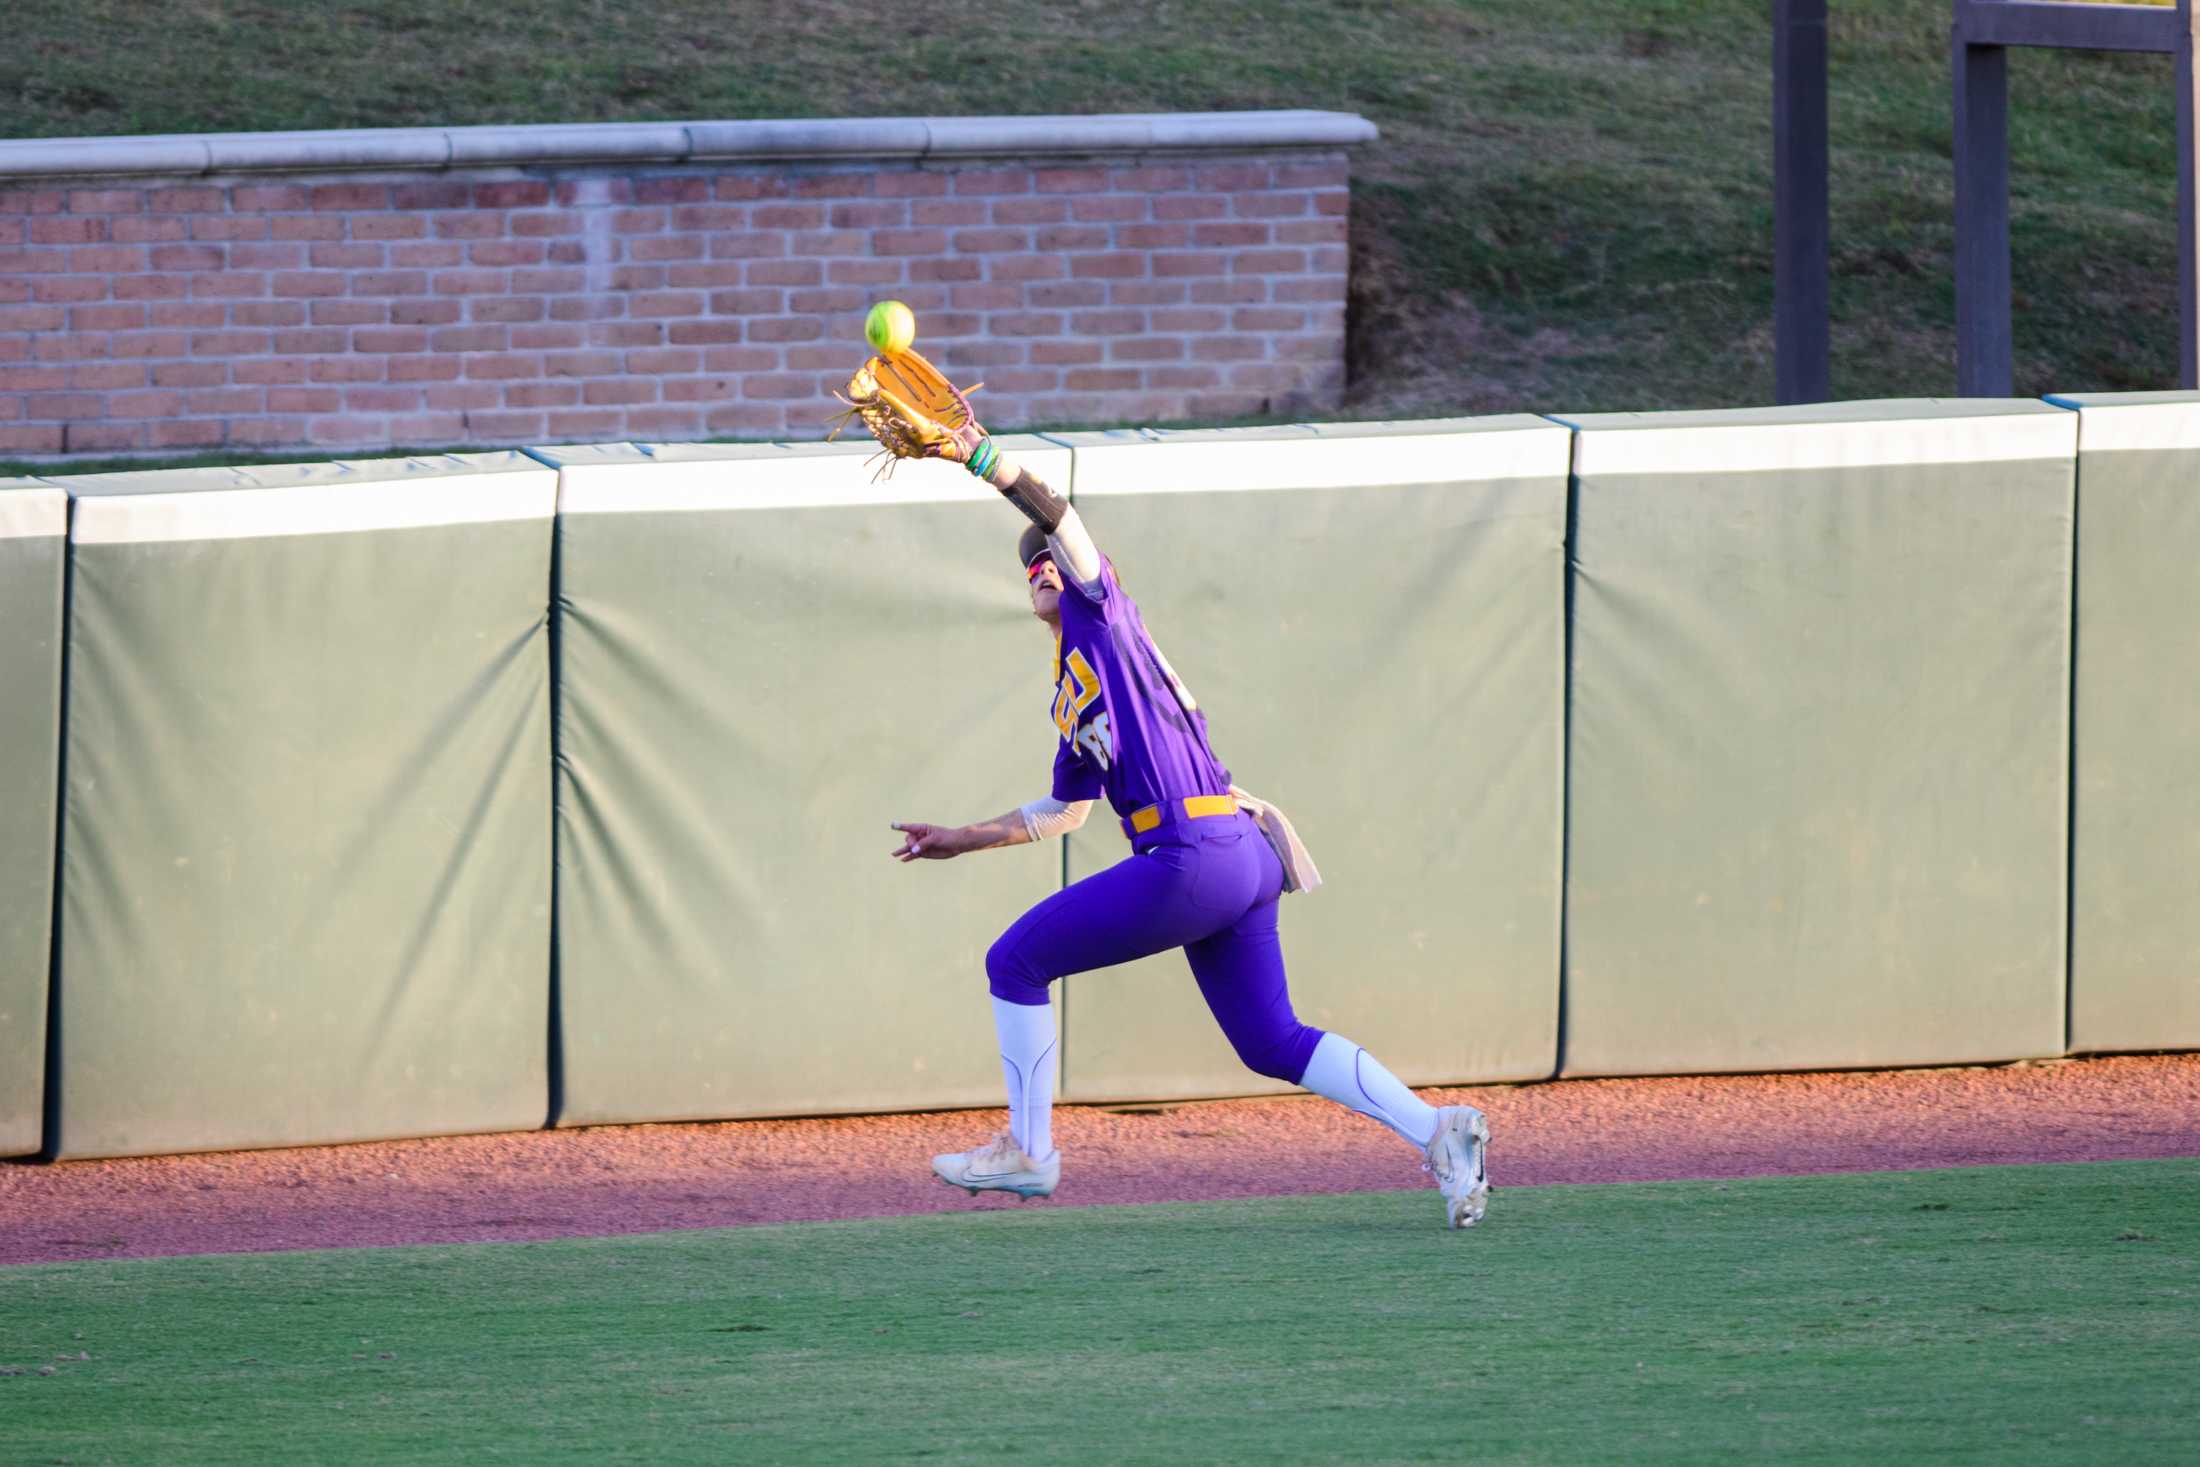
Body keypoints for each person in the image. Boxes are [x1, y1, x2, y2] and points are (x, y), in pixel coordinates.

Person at [886, 420, 1490, 1230]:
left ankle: (1030, 1150)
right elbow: (1067, 809)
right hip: (1236, 855)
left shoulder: (1106, 617)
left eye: (1048, 560)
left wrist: (978, 456)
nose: (1040, 567)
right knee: (1270, 1040)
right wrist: (960, 837)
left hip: (1196, 850)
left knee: (1015, 960)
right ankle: (1438, 1130)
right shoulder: (1072, 684)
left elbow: (1059, 518)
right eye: (1027, 565)